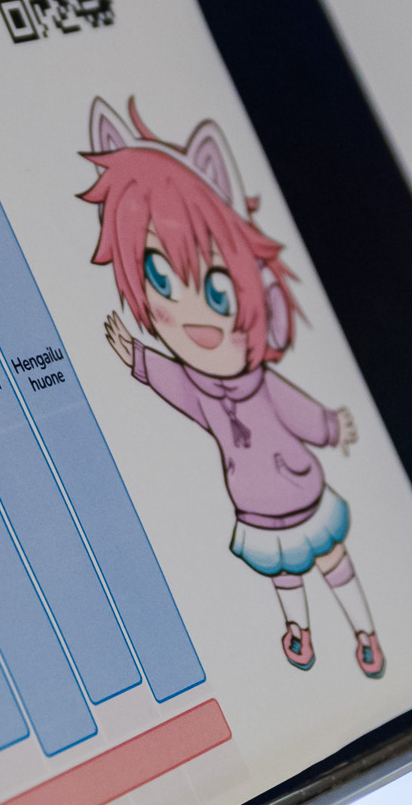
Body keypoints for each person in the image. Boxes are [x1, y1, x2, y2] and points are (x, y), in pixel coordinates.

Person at [81, 97, 384, 676]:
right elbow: (173, 383)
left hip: (300, 490)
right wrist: (137, 357)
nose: (192, 316)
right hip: (256, 505)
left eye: (217, 289)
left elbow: (300, 413)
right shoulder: (200, 388)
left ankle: (363, 631)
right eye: (159, 278)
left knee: (332, 558)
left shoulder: (260, 383)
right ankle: (299, 632)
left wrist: (331, 427)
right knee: (285, 571)